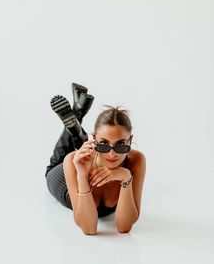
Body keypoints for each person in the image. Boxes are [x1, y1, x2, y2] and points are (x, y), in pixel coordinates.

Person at [45, 82, 146, 235]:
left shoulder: (136, 160)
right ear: (94, 140)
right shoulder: (72, 162)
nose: (112, 154)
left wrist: (126, 179)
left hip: (88, 153)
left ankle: (79, 126)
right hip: (62, 179)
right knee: (61, 160)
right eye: (104, 144)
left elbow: (124, 227)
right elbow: (89, 229)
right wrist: (81, 174)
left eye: (121, 145)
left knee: (83, 152)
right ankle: (78, 119)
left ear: (130, 141)